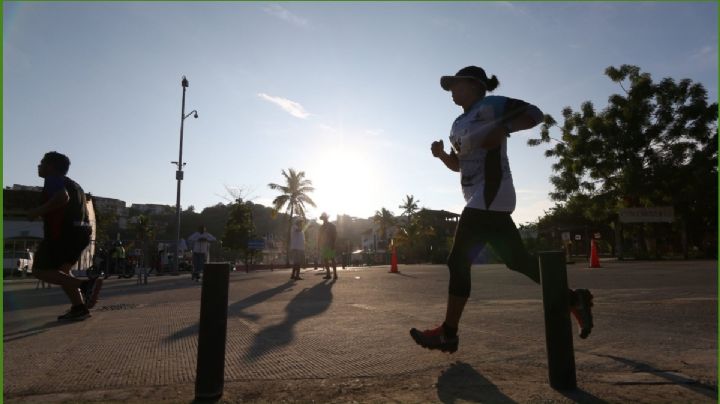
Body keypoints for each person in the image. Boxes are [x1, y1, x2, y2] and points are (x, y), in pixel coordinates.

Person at [410, 66, 594, 353]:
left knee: (458, 261)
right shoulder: (457, 124)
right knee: (518, 260)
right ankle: (574, 299)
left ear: (473, 85)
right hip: (479, 198)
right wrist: (442, 156)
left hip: (492, 193)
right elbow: (460, 165)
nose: (451, 91)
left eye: (455, 85)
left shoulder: (492, 106)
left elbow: (535, 114)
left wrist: (503, 128)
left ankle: (448, 333)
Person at [28, 151, 103, 321]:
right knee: (63, 273)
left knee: (40, 270)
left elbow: (62, 197)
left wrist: (36, 211)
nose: (38, 166)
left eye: (42, 162)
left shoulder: (54, 179)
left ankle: (85, 285)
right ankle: (79, 308)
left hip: (63, 234)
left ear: (51, 166)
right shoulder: (76, 185)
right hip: (81, 234)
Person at [317, 212, 338, 280]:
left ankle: (334, 274)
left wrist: (334, 243)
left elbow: (335, 235)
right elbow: (319, 237)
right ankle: (329, 274)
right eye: (323, 218)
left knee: (331, 259)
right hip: (325, 244)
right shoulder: (322, 227)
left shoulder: (331, 226)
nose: (324, 219)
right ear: (322, 219)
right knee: (326, 259)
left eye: (325, 218)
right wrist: (318, 245)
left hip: (330, 244)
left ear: (327, 218)